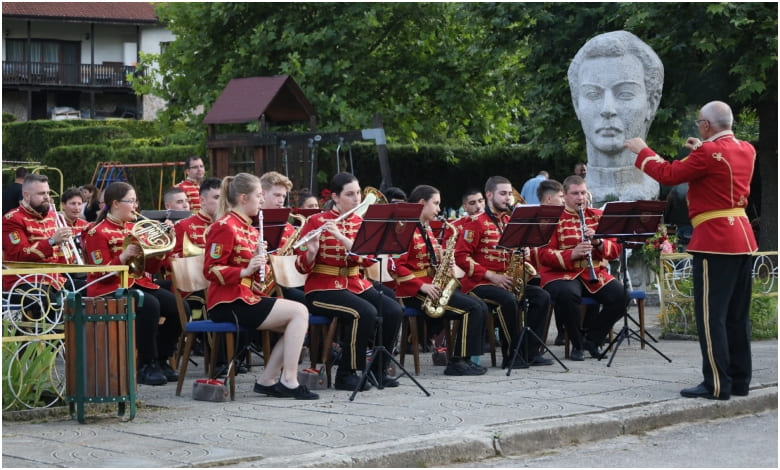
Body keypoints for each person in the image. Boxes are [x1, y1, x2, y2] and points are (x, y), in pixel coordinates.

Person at [624, 100, 757, 400]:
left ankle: (716, 384)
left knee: (712, 317)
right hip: (742, 237)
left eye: (699, 122)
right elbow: (719, 169)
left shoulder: (709, 153)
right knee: (738, 316)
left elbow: (669, 174)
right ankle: (739, 381)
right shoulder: (746, 149)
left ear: (707, 125)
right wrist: (701, 148)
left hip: (715, 240)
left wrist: (643, 151)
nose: (698, 126)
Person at [203, 173, 318, 400]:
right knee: (299, 311)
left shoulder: (250, 229)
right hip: (228, 301)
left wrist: (257, 267)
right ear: (244, 198)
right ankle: (288, 380)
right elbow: (210, 269)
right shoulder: (225, 226)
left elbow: (250, 274)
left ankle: (269, 379)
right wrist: (244, 271)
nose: (261, 201)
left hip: (245, 296)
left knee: (297, 316)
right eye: (258, 196)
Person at [294, 172, 404, 391]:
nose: (357, 199)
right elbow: (300, 265)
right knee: (364, 312)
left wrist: (342, 238)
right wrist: (311, 251)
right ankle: (346, 373)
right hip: (323, 286)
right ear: (335, 196)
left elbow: (366, 259)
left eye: (358, 193)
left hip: (355, 282)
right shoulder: (316, 221)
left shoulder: (360, 222)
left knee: (393, 310)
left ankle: (378, 370)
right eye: (350, 194)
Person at [82, 182, 181, 385]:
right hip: (109, 289)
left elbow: (151, 269)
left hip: (137, 283)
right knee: (150, 306)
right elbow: (101, 273)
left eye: (136, 201)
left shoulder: (136, 228)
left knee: (180, 307)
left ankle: (162, 359)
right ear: (116, 203)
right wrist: (123, 257)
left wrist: (165, 246)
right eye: (132, 201)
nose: (136, 206)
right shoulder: (96, 232)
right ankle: (146, 364)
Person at [454, 176, 553, 369]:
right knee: (507, 300)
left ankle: (530, 351)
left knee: (541, 297)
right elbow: (461, 257)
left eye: (509, 194)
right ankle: (511, 355)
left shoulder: (510, 221)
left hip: (507, 281)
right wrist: (491, 276)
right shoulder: (476, 223)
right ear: (489, 195)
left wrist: (525, 251)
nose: (508, 198)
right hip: (479, 284)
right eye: (503, 194)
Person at [390, 184, 487, 376]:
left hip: (431, 286)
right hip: (415, 292)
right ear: (421, 203)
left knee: (480, 306)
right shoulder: (405, 228)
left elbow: (429, 257)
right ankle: (457, 361)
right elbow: (395, 265)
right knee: (472, 309)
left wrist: (445, 260)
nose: (438, 209)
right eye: (435, 204)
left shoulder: (425, 228)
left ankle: (466, 359)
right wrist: (422, 286)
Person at [537, 175, 626, 361]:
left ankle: (592, 339)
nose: (580, 198)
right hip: (561, 274)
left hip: (592, 272)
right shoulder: (552, 219)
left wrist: (599, 242)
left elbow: (616, 250)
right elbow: (543, 254)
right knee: (568, 295)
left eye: (583, 193)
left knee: (621, 295)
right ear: (565, 195)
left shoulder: (597, 216)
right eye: (575, 193)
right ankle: (576, 344)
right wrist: (573, 253)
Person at [567, 30, 663, 202]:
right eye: (593, 94)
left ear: (652, 103)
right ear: (576, 104)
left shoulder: (663, 182)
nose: (607, 109)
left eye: (625, 94)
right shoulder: (573, 196)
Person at [2, 174, 72, 299]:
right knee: (50, 300)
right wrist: (52, 241)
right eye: (41, 194)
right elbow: (20, 254)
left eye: (48, 193)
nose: (47, 198)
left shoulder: (51, 216)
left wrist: (68, 250)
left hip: (54, 280)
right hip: (23, 281)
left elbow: (59, 258)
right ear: (26, 195)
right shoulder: (12, 219)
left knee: (87, 291)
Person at [58, 187, 89, 264]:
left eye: (79, 204)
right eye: (73, 203)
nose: (77, 208)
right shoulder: (55, 223)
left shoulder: (85, 225)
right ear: (63, 205)